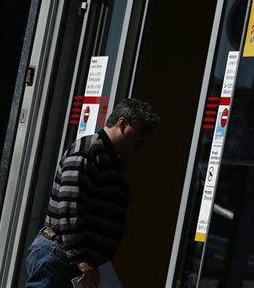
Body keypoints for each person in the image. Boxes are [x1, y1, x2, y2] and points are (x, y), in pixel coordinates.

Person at [25, 98, 160, 288]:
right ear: (122, 123)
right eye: (140, 132)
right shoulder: (89, 150)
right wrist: (81, 259)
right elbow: (69, 205)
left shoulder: (111, 159)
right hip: (63, 258)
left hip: (77, 264)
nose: (142, 140)